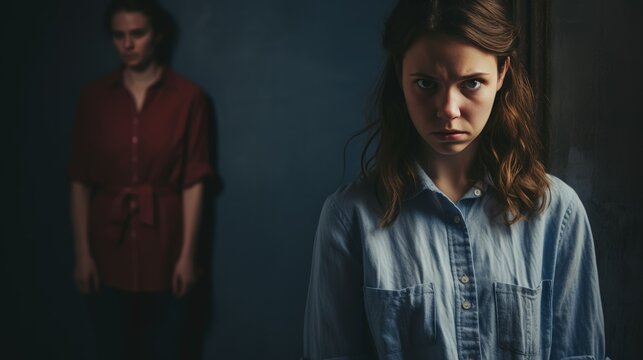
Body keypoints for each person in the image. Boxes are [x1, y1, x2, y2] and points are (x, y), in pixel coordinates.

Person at [303, 0, 605, 359]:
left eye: (472, 83)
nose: (448, 108)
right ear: (400, 75)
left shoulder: (558, 214)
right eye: (426, 84)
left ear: (502, 74)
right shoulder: (348, 217)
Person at [68, 0, 213, 358]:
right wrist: (83, 254)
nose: (127, 44)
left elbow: (194, 181)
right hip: (106, 250)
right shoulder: (93, 98)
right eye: (119, 35)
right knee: (111, 348)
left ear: (158, 35)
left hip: (165, 248)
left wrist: (186, 256)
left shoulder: (188, 98)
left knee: (167, 348)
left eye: (137, 34)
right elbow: (80, 180)